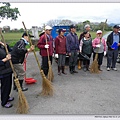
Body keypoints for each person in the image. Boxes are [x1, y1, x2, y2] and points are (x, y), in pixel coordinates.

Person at [0, 41, 14, 108]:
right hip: (3, 71)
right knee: (5, 87)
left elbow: (10, 50)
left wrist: (5, 45)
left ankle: (7, 96)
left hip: (8, 69)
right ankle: (4, 101)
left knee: (8, 86)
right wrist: (5, 59)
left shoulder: (1, 47)